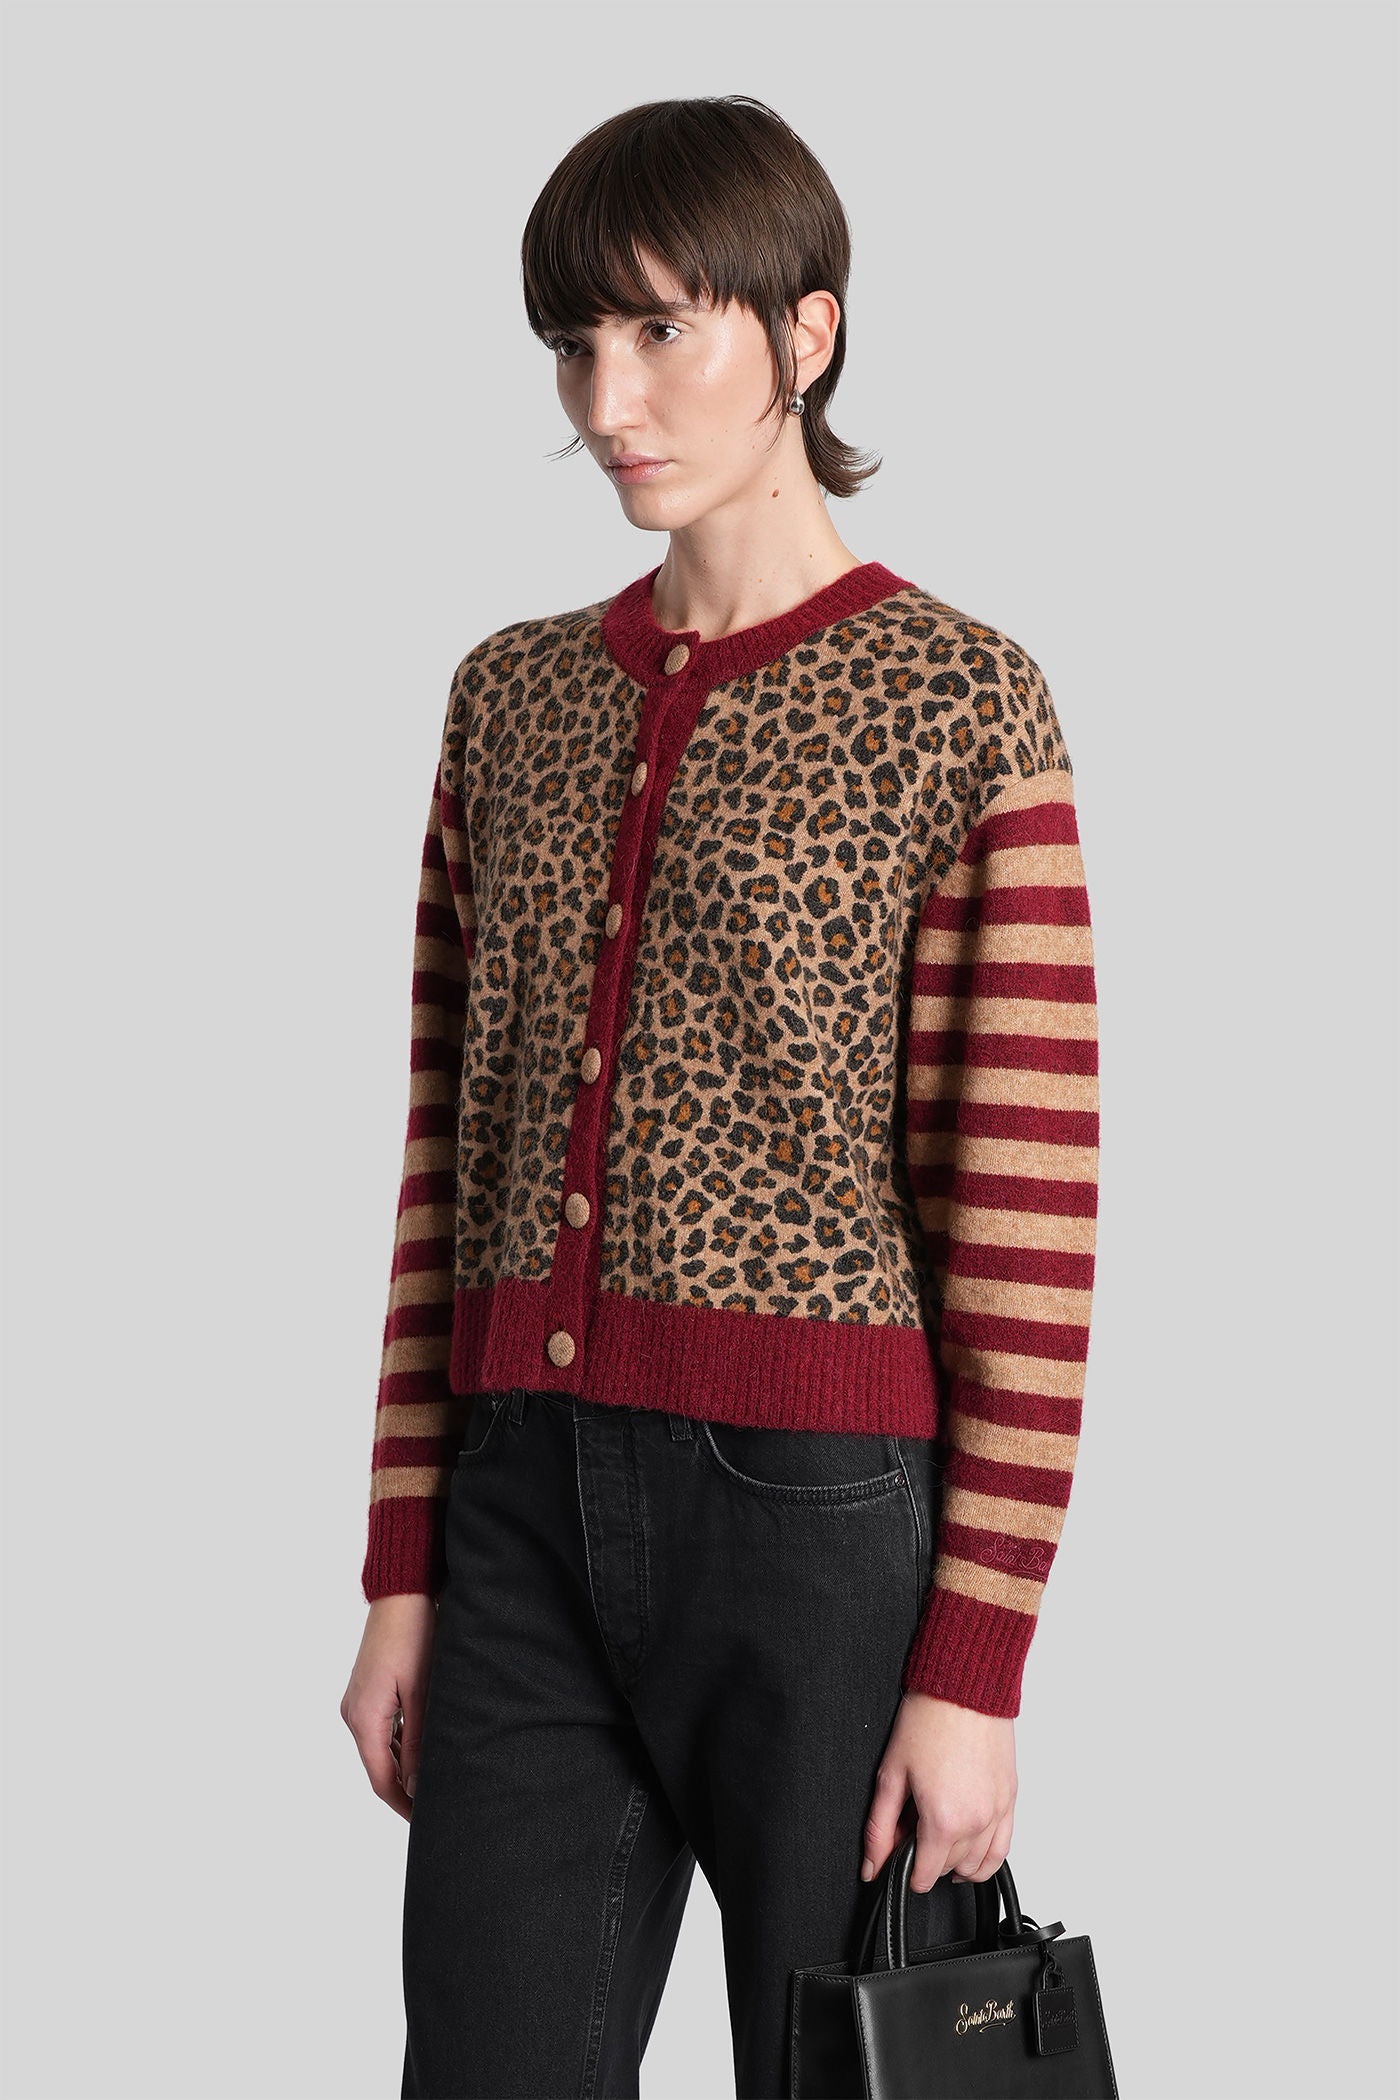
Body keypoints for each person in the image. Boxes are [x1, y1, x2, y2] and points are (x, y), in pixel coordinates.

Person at [340, 93, 1100, 2100]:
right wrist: (404, 1564)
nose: (608, 401)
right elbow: (449, 1160)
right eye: (573, 344)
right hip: (514, 1506)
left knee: (849, 2073)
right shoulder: (510, 698)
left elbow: (1021, 1209)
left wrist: (974, 1668)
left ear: (806, 332)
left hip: (815, 1524)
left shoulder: (957, 698)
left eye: (663, 331)